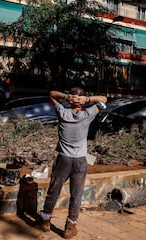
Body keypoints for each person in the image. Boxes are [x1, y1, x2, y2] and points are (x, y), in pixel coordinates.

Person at [37, 87, 107, 239]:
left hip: (63, 159)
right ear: (81, 102)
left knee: (54, 190)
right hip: (80, 161)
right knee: (76, 194)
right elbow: (104, 100)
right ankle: (69, 228)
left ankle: (45, 221)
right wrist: (87, 100)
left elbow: (51, 94)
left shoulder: (63, 112)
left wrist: (66, 96)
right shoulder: (88, 114)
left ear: (71, 101)